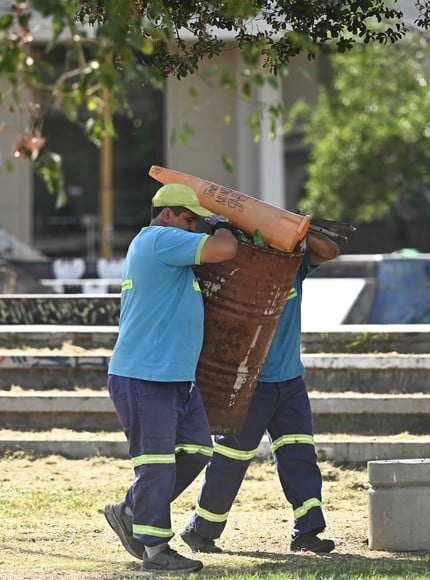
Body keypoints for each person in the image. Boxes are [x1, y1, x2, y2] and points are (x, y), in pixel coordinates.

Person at [103, 183, 238, 574]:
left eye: (198, 221)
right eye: (190, 219)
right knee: (157, 463)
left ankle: (130, 510)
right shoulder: (161, 239)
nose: (196, 227)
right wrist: (223, 223)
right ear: (166, 214)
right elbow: (225, 249)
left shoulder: (167, 247)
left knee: (197, 450)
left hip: (174, 378)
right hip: (144, 376)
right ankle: (154, 551)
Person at [180, 229, 341, 555]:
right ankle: (201, 530)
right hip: (250, 385)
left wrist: (301, 229)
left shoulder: (293, 267)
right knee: (231, 459)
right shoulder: (240, 273)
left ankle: (307, 531)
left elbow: (330, 250)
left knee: (299, 454)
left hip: (290, 382)